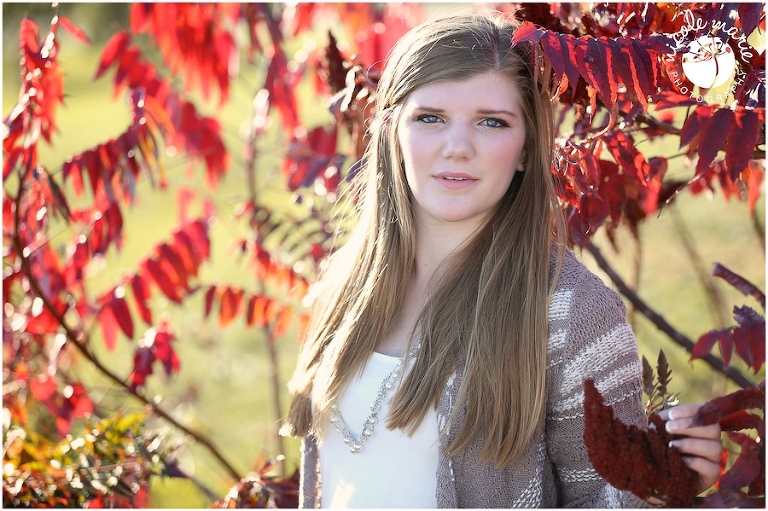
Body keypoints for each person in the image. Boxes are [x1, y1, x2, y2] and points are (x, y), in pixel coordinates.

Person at [281, 11, 722, 508]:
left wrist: (659, 485)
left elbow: (604, 495)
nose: (457, 148)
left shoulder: (570, 315)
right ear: (390, 131)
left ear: (527, 148)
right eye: (430, 118)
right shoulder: (344, 283)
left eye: (492, 122)